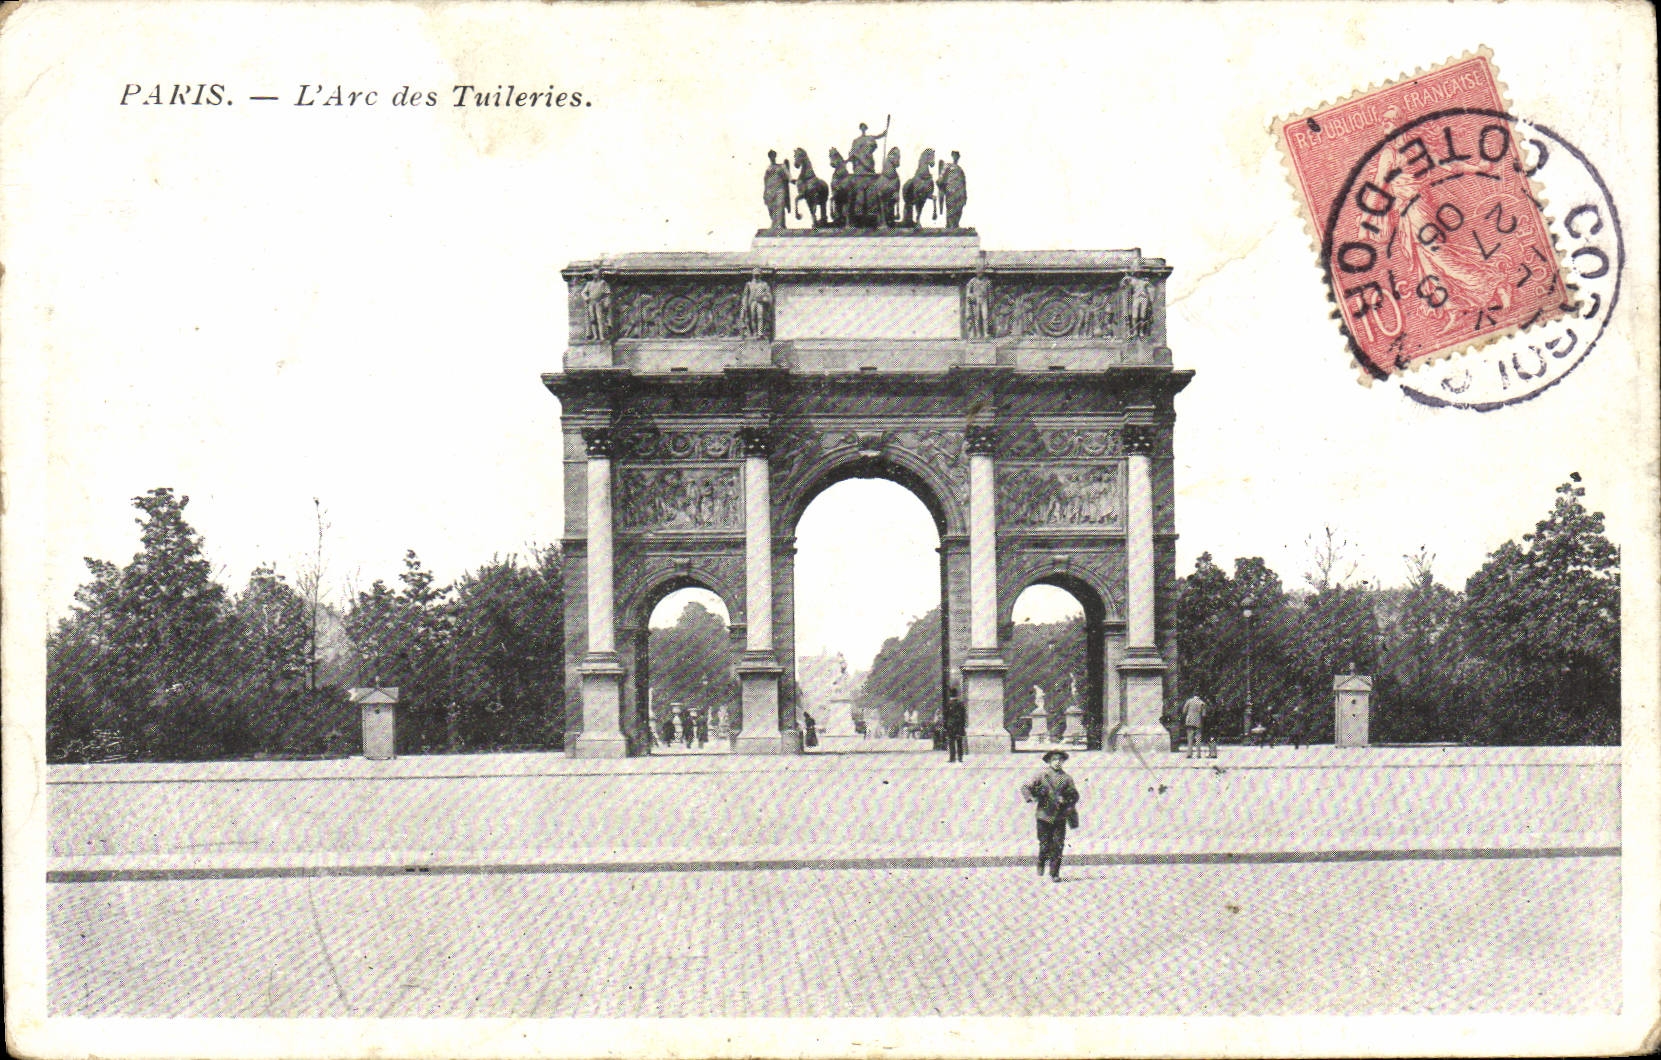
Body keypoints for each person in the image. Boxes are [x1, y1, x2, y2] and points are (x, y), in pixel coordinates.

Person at [1021, 750, 1080, 882]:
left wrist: (1065, 799)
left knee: (1058, 845)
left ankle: (1055, 873)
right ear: (1049, 761)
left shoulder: (1067, 778)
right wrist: (1031, 798)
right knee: (1044, 845)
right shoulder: (1042, 775)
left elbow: (1074, 795)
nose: (1057, 762)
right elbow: (1025, 787)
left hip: (1060, 816)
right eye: (1054, 760)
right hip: (1043, 816)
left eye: (1060, 760)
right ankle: (1041, 861)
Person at [943, 686, 967, 763]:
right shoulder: (961, 704)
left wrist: (945, 726)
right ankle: (960, 757)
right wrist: (963, 726)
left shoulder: (948, 705)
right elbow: (963, 716)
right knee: (959, 742)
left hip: (951, 726)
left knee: (951, 742)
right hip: (959, 726)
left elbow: (946, 716)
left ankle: (952, 758)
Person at [1183, 693, 1208, 759]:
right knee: (1198, 738)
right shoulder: (1202, 703)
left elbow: (1184, 711)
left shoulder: (1189, 701)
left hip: (1189, 721)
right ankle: (1198, 754)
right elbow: (1204, 715)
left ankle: (1189, 754)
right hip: (1198, 722)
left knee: (1190, 738)